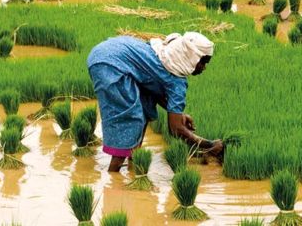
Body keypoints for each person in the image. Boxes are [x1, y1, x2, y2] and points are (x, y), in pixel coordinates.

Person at [87, 33, 224, 172]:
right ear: (191, 57)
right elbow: (175, 129)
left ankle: (135, 162)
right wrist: (209, 144)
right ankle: (113, 176)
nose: (204, 68)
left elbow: (153, 88)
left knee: (144, 106)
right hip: (110, 65)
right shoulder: (177, 81)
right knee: (132, 119)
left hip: (103, 52)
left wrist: (178, 113)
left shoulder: (164, 55)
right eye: (203, 62)